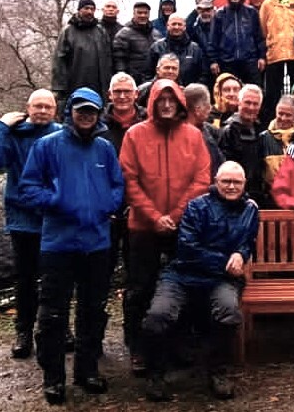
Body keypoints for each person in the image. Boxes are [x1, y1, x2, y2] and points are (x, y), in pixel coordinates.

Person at [19, 88, 124, 404]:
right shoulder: (47, 146)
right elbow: (28, 187)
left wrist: (109, 204)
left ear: (97, 115)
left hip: (97, 242)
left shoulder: (105, 149)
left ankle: (87, 370)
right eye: (81, 111)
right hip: (59, 244)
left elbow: (118, 184)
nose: (86, 116)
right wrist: (56, 202)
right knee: (53, 314)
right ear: (71, 113)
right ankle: (53, 378)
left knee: (93, 311)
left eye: (91, 112)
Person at [141, 161, 259, 402]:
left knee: (228, 312)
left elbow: (248, 241)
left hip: (222, 279)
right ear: (216, 182)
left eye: (237, 182)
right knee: (157, 316)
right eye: (226, 181)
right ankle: (156, 374)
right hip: (182, 274)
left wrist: (241, 254)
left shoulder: (250, 209)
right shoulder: (197, 206)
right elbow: (187, 248)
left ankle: (218, 371)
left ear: (245, 184)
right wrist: (228, 260)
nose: (231, 186)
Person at [119, 79, 211, 375]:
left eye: (173, 101)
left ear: (181, 104)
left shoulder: (193, 136)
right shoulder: (135, 134)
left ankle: (177, 342)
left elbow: (202, 178)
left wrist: (175, 213)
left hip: (183, 226)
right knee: (139, 288)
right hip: (143, 226)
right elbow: (129, 180)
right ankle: (139, 348)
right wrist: (154, 216)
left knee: (182, 285)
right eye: (162, 100)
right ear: (153, 103)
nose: (167, 105)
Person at [0, 89, 62, 359]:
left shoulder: (62, 134)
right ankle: (23, 332)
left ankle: (59, 328)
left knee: (57, 278)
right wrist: (1, 125)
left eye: (47, 107)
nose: (41, 111)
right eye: (37, 106)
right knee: (26, 280)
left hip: (54, 218)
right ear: (28, 108)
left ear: (55, 110)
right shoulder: (14, 135)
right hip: (23, 220)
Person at [100, 73, 147, 278]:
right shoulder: (98, 124)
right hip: (106, 201)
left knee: (137, 262)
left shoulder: (148, 121)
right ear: (109, 95)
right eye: (117, 92)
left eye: (126, 91)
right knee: (103, 263)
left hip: (138, 200)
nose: (122, 96)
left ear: (136, 94)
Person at [258, 0, 294, 124]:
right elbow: (263, 26)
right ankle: (273, 120)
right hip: (275, 52)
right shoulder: (268, 4)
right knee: (273, 90)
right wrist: (270, 41)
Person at [51, 0, 113, 104]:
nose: (89, 11)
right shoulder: (68, 32)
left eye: (92, 9)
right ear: (79, 10)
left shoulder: (100, 31)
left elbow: (108, 58)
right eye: (86, 8)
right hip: (75, 82)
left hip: (99, 85)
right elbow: (59, 60)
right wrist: (59, 88)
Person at [209, 0, 267, 86]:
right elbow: (213, 39)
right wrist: (213, 61)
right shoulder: (220, 14)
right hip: (227, 61)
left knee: (255, 89)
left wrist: (262, 57)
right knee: (229, 91)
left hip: (250, 61)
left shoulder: (252, 12)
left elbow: (259, 37)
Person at [218, 84, 267, 206]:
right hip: (233, 197)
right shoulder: (228, 131)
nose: (251, 107)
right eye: (247, 103)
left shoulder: (260, 131)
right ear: (238, 103)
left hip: (255, 198)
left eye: (255, 104)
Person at [259, 95, 294, 206]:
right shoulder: (263, 138)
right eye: (280, 113)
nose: (283, 118)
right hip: (270, 200)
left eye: (288, 115)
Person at [149, 14, 206, 87]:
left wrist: (192, 90)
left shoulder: (195, 49)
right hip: (163, 94)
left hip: (188, 94)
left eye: (179, 24)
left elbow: (204, 75)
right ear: (168, 26)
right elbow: (148, 75)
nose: (176, 27)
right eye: (174, 24)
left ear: (184, 27)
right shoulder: (156, 47)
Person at [113, 2, 162, 86]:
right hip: (132, 80)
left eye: (145, 13)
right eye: (139, 13)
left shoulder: (156, 34)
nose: (142, 15)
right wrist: (122, 77)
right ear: (134, 14)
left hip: (153, 79)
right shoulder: (123, 34)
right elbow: (119, 59)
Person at [184, 82, 225, 179]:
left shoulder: (209, 130)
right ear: (198, 110)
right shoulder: (183, 137)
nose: (210, 108)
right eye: (208, 104)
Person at [189, 0, 216, 65]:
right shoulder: (195, 29)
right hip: (201, 65)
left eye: (208, 10)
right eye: (202, 11)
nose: (205, 13)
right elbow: (186, 27)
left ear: (213, 11)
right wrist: (194, 12)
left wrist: (214, 62)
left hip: (219, 65)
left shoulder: (220, 27)